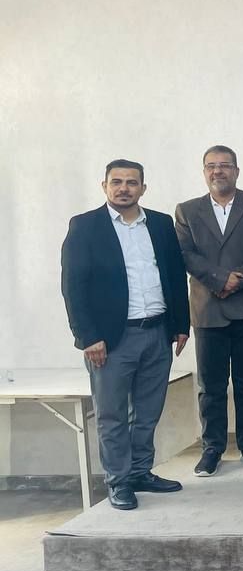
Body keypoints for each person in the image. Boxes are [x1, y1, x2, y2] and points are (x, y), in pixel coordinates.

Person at [60, 160, 190, 509]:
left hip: (157, 332)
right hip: (111, 340)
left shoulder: (160, 224)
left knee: (148, 412)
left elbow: (175, 276)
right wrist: (88, 337)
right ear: (104, 186)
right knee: (112, 415)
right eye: (116, 182)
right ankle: (118, 481)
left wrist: (181, 324)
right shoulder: (86, 226)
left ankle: (140, 471)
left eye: (131, 182)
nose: (123, 188)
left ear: (143, 188)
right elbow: (73, 286)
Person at [175, 145, 243, 477]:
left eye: (225, 165)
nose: (218, 171)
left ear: (236, 171)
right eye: (211, 166)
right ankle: (212, 448)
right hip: (208, 310)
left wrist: (237, 279)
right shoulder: (187, 211)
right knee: (211, 386)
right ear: (204, 172)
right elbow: (185, 254)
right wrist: (219, 279)